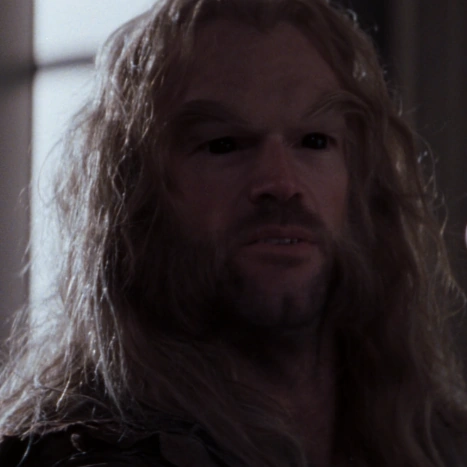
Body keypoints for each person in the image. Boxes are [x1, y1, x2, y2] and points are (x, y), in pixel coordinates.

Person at [1, 0, 467, 465]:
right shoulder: (81, 454)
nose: (282, 183)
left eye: (314, 141)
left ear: (359, 181)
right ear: (135, 197)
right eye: (223, 144)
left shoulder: (434, 442)